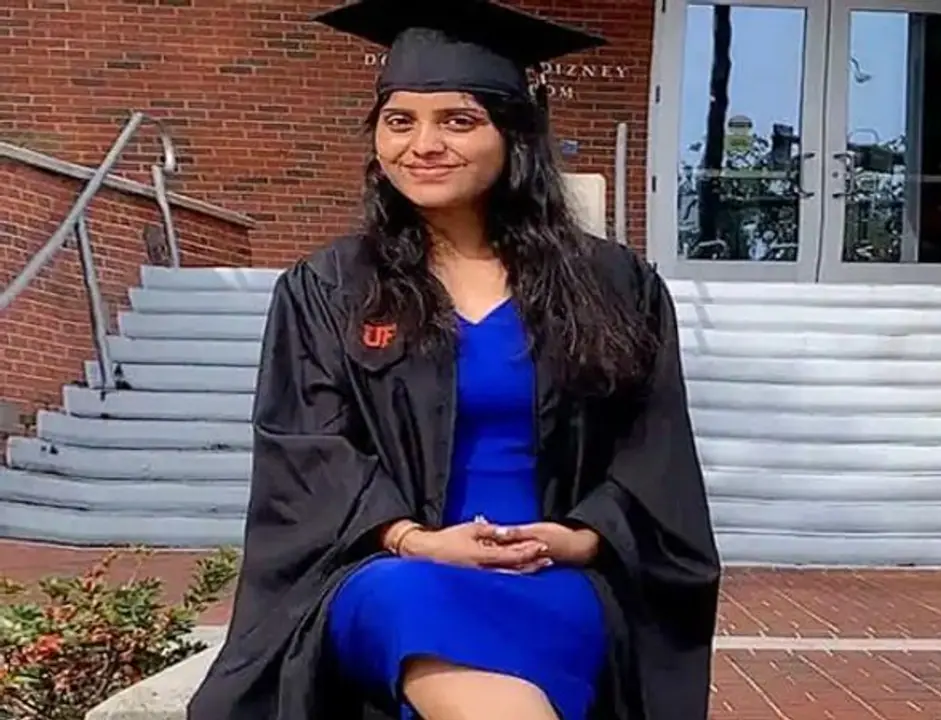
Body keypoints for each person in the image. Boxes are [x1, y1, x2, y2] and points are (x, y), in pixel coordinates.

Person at [185, 0, 722, 719]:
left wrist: (580, 537)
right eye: (399, 121)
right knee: (410, 605)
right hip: (390, 569)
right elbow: (307, 450)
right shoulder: (330, 289)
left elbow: (654, 450)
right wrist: (416, 541)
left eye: (458, 121)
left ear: (513, 135)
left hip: (553, 575)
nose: (422, 145)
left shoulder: (613, 285)